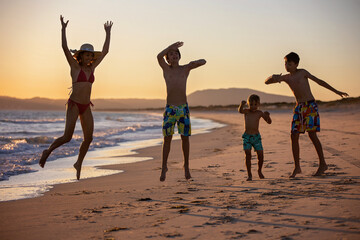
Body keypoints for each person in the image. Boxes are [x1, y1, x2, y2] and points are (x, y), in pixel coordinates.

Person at [38, 15, 113, 180]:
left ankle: (78, 162)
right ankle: (47, 151)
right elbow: (64, 48)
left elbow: (106, 51)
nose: (89, 58)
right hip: (73, 105)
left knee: (89, 138)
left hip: (86, 106)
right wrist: (63, 29)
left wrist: (108, 33)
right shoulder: (74, 66)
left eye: (90, 56)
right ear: (80, 56)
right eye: (86, 55)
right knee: (67, 137)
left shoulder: (92, 68)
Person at [265, 52, 348, 178]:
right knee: (293, 135)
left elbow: (319, 81)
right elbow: (267, 82)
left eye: (290, 64)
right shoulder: (286, 77)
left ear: (296, 64)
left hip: (310, 106)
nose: (287, 66)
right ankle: (297, 167)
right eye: (285, 63)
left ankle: (323, 164)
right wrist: (273, 77)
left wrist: (337, 91)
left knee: (312, 135)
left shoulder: (302, 72)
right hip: (299, 108)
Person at [157, 41, 206, 181]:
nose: (173, 55)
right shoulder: (166, 70)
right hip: (170, 109)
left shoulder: (185, 69)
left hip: (183, 109)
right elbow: (158, 57)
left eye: (176, 53)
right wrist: (170, 46)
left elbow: (204, 61)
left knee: (185, 138)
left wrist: (194, 63)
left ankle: (186, 166)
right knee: (167, 139)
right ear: (167, 59)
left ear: (179, 56)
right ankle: (164, 166)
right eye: (171, 54)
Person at [238, 94, 272, 181]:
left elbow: (269, 122)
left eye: (255, 104)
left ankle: (259, 171)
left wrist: (268, 116)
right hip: (247, 137)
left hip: (256, 137)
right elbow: (240, 111)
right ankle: (249, 174)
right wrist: (241, 105)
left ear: (259, 104)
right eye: (251, 105)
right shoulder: (246, 111)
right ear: (248, 104)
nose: (253, 107)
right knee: (248, 155)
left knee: (260, 155)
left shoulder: (259, 113)